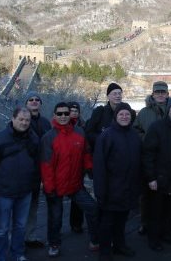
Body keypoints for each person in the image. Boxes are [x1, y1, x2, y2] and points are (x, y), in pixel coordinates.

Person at [40, 102, 99, 258]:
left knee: (92, 208)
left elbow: (86, 153)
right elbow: (46, 165)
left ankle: (95, 239)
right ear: (54, 116)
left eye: (66, 113)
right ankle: (54, 243)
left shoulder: (79, 132)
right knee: (55, 218)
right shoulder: (49, 137)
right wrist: (49, 188)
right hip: (56, 186)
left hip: (75, 184)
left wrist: (89, 168)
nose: (63, 116)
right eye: (59, 114)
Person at [0, 107, 40, 261]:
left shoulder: (33, 139)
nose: (24, 123)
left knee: (20, 226)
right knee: (2, 228)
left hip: (25, 191)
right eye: (21, 119)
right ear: (13, 119)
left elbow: (37, 164)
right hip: (3, 192)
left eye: (27, 120)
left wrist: (35, 185)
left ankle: (18, 253)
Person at [94, 102, 142, 261]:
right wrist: (100, 191)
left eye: (127, 114)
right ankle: (105, 251)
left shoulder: (134, 135)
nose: (124, 116)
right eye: (121, 114)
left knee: (122, 221)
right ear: (116, 116)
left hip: (128, 188)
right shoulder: (106, 135)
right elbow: (99, 165)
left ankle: (120, 245)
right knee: (107, 223)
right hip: (111, 188)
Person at [142, 96, 171, 251]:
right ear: (168, 109)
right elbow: (148, 154)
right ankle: (153, 240)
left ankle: (166, 234)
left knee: (169, 210)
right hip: (159, 178)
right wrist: (151, 178)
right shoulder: (157, 127)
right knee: (155, 211)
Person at [133, 81, 169, 236]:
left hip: (167, 158)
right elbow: (136, 130)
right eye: (157, 92)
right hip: (148, 158)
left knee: (166, 193)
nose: (160, 94)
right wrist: (147, 140)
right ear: (153, 94)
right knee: (146, 194)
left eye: (163, 92)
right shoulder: (144, 112)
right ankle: (145, 222)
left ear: (167, 94)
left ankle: (163, 223)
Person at [23, 91, 52, 248]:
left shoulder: (46, 122)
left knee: (34, 206)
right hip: (26, 170)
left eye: (37, 100)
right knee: (21, 207)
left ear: (40, 104)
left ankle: (30, 236)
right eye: (30, 100)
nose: (34, 102)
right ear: (26, 103)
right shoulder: (21, 121)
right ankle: (17, 239)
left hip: (41, 170)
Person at [86, 82, 126, 150]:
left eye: (119, 93)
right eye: (115, 93)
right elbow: (89, 133)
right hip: (103, 151)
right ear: (108, 96)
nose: (118, 96)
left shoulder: (126, 112)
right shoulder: (100, 112)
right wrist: (103, 139)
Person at [67, 101, 86, 234]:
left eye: (76, 111)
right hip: (65, 166)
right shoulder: (61, 125)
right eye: (71, 111)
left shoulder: (83, 126)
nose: (74, 113)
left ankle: (76, 223)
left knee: (78, 198)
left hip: (79, 167)